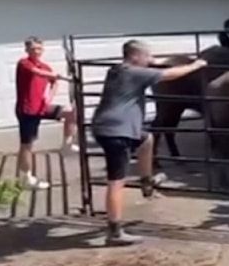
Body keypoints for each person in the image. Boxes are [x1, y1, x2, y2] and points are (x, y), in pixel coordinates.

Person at [91, 39, 208, 245]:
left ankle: (147, 181)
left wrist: (152, 62)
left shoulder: (116, 70)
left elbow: (155, 67)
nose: (150, 59)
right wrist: (195, 65)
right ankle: (115, 231)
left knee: (147, 139)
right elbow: (170, 74)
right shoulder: (136, 73)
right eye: (147, 56)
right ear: (135, 56)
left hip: (109, 126)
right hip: (117, 132)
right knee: (116, 182)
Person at [15, 36, 79, 190]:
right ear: (27, 50)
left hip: (41, 107)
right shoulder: (24, 63)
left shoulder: (45, 66)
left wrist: (49, 97)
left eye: (39, 48)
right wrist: (61, 76)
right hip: (28, 111)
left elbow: (54, 82)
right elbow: (37, 72)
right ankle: (26, 178)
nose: (36, 51)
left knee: (70, 112)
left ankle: (66, 145)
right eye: (33, 49)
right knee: (27, 145)